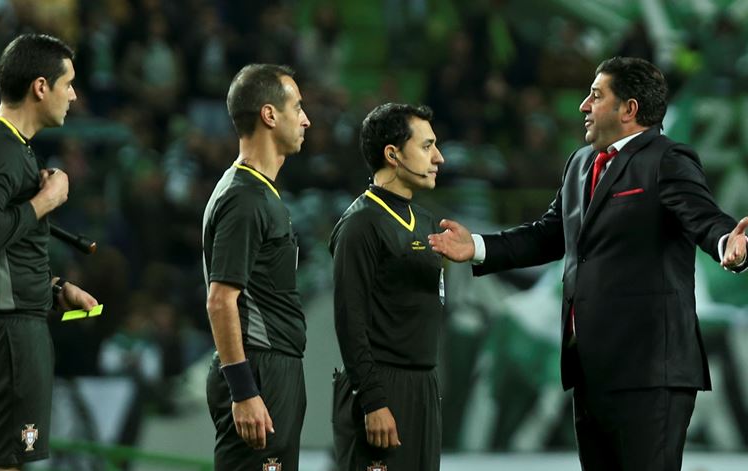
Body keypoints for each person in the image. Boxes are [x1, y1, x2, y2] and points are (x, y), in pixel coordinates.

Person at [428, 56, 748, 470]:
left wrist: (728, 242)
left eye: (596, 96)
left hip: (650, 373)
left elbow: (704, 218)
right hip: (590, 370)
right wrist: (476, 246)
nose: (583, 105)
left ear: (629, 109)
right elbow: (548, 235)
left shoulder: (667, 160)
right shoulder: (580, 164)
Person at [0, 33, 98, 471]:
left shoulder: (7, 146)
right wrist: (45, 202)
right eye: (67, 83)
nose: (73, 94)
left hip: (8, 330)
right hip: (1, 337)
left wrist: (53, 289)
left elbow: (1, 253)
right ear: (40, 87)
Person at [202, 64, 310, 471]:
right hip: (258, 368)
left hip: (273, 368)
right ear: (269, 115)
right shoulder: (244, 197)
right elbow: (220, 301)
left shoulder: (260, 193)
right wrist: (244, 390)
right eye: (297, 107)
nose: (306, 118)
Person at [330, 103, 446, 470]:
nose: (438, 158)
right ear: (393, 154)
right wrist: (374, 400)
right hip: (381, 388)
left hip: (424, 386)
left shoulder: (426, 221)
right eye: (426, 146)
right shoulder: (361, 225)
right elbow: (350, 321)